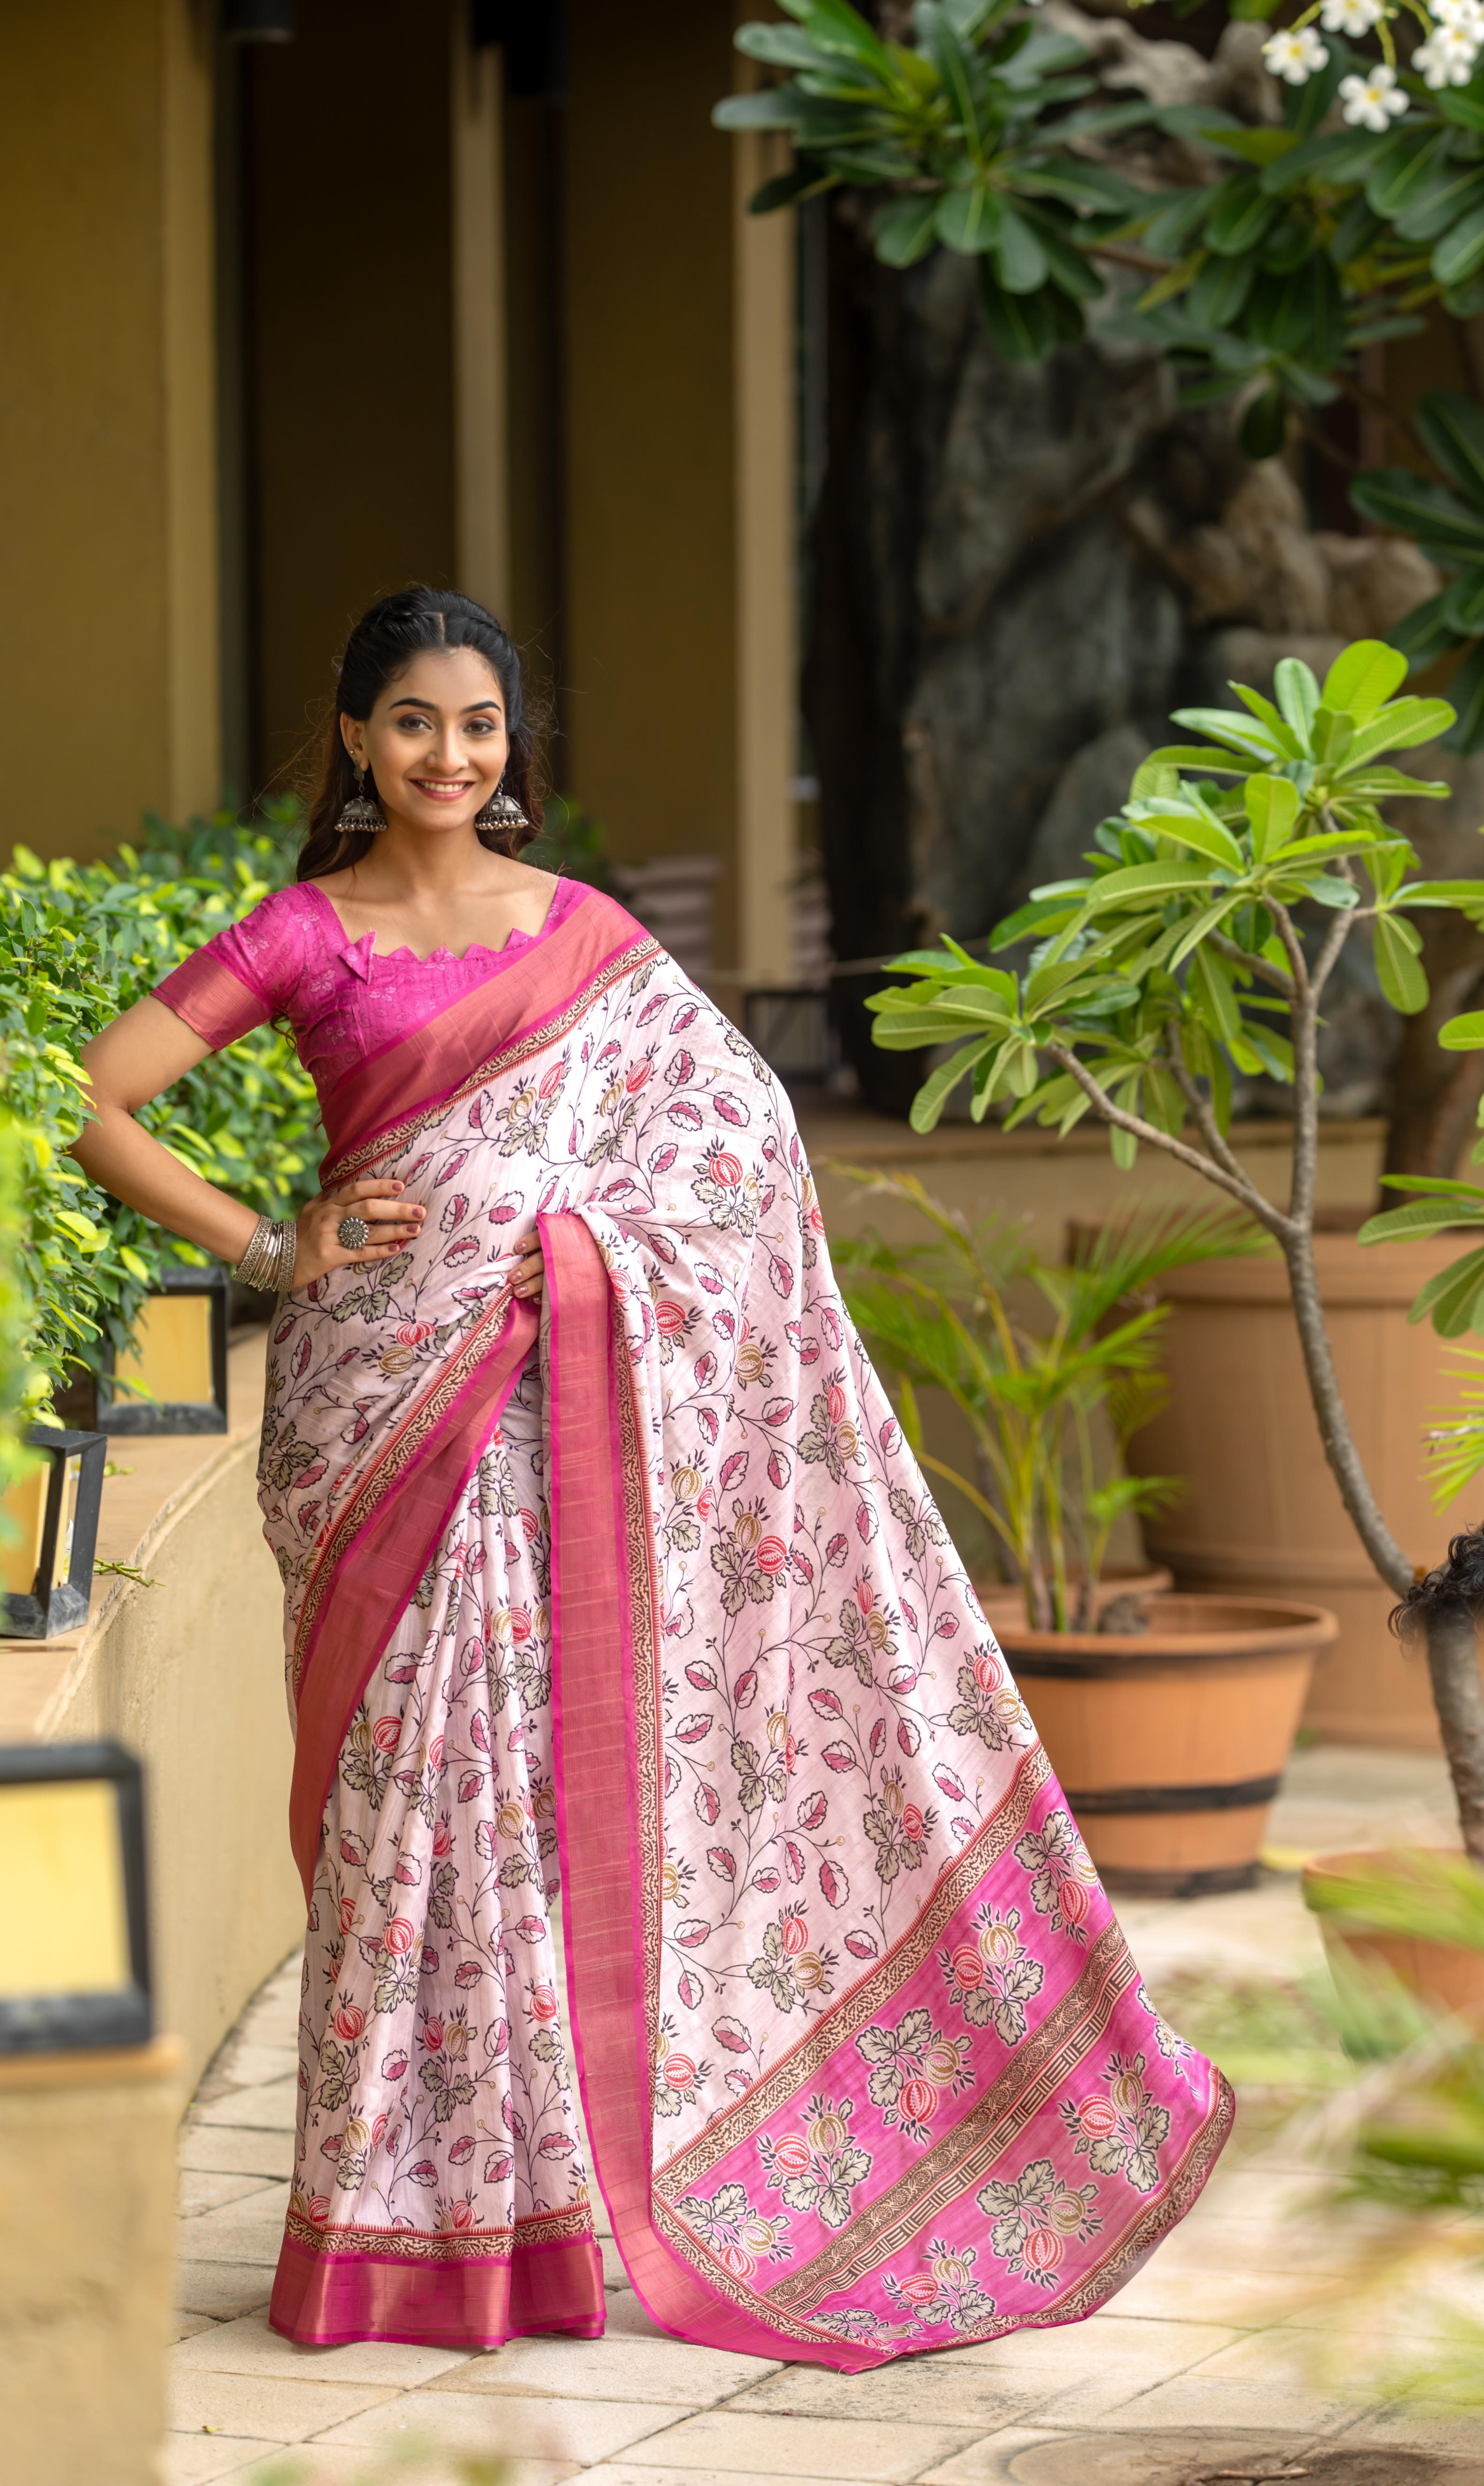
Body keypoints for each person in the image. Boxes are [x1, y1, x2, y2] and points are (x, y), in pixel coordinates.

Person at [72, 586, 1230, 2366]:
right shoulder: (304, 933)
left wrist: (585, 1252)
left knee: (526, 1805)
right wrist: (267, 1241)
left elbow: (741, 1142)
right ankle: (398, 2229)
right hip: (377, 1412)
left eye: (479, 725)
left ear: (512, 746)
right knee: (406, 1805)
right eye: (411, 723)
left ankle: (533, 2227)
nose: (448, 756)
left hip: (553, 1406)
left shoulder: (591, 940)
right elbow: (100, 1093)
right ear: (358, 738)